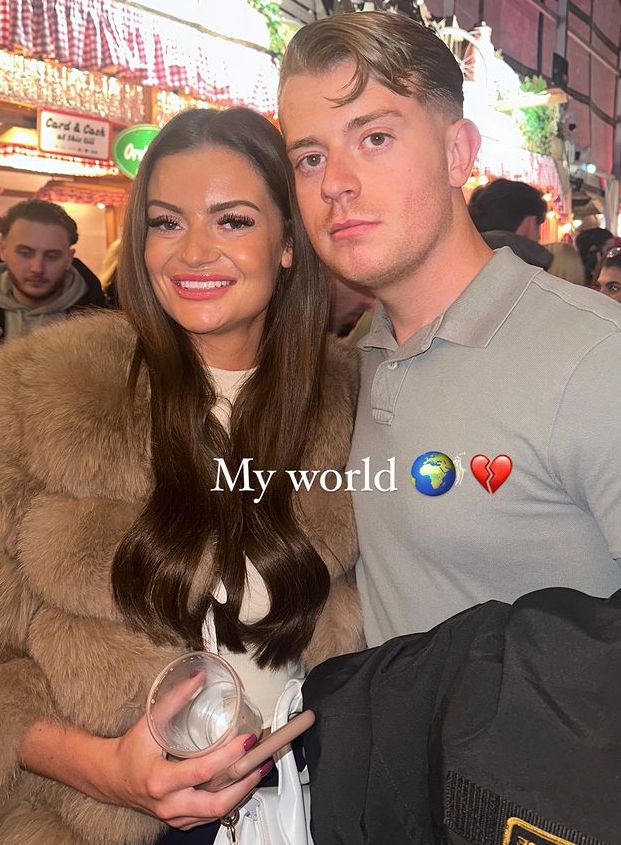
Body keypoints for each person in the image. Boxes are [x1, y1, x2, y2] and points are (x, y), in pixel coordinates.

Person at [0, 107, 363, 845]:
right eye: (165, 222)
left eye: (231, 221)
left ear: (287, 242)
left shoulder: (349, 401)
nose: (192, 252)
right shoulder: (42, 394)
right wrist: (106, 769)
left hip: (297, 807)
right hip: (88, 821)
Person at [278, 11, 621, 646]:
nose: (335, 184)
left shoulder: (596, 359)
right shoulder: (358, 360)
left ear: (457, 152)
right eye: (309, 156)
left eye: (375, 138)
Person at [0, 198, 106, 341]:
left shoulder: (104, 325)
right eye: (25, 253)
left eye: (52, 256)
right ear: (3, 250)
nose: (37, 268)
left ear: (69, 258)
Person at [467, 178, 553, 269]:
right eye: (538, 225)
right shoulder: (533, 275)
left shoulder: (460, 259)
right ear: (529, 224)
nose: (539, 237)